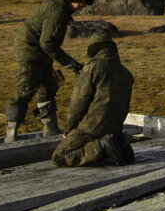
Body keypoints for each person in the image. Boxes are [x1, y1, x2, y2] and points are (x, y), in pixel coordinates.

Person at [4, 0, 95, 142]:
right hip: (30, 52)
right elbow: (48, 43)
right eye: (80, 3)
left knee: (48, 88)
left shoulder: (60, 8)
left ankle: (51, 129)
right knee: (25, 88)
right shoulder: (57, 11)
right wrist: (70, 63)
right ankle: (11, 135)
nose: (82, 7)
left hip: (41, 53)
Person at [52, 32, 136, 166]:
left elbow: (79, 101)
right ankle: (116, 144)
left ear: (94, 49)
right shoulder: (126, 73)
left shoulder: (93, 67)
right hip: (114, 127)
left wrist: (68, 129)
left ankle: (103, 146)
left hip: (92, 126)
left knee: (60, 156)